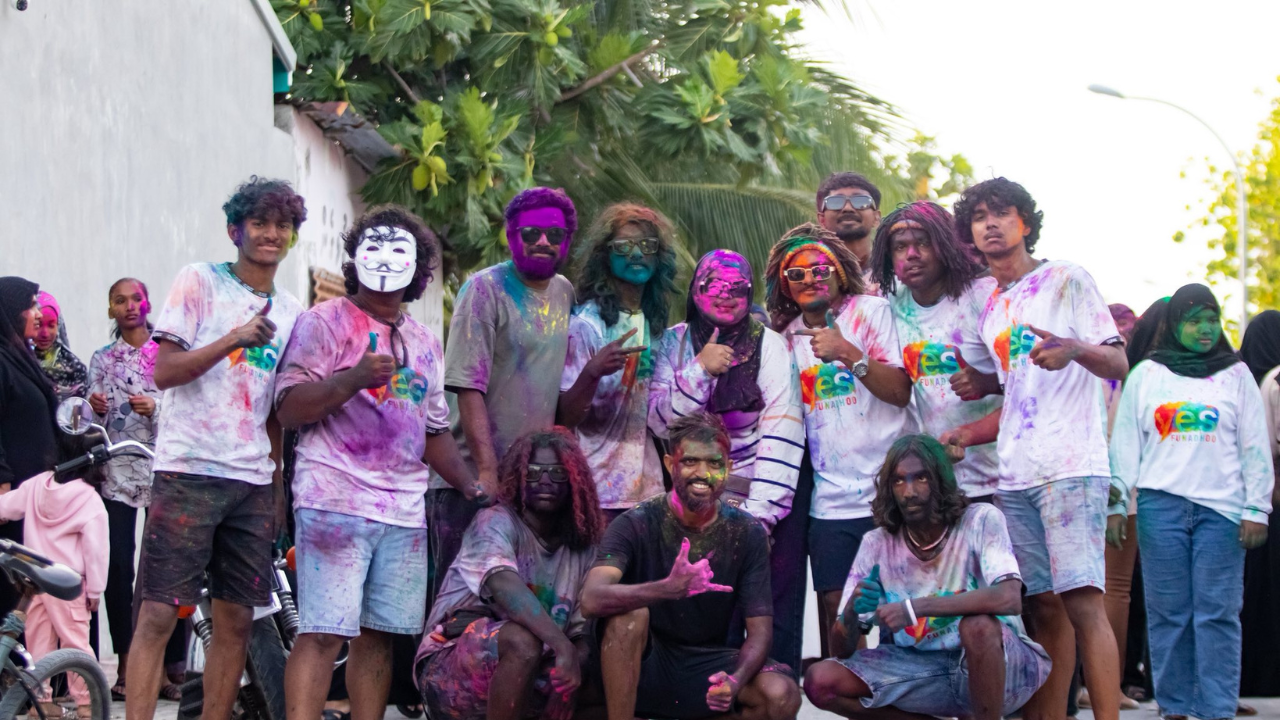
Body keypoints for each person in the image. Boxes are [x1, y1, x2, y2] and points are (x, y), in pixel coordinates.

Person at [275, 206, 487, 720]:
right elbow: (288, 408)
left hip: (404, 512)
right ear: (355, 259)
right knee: (323, 632)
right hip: (334, 500)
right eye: (374, 247)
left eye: (400, 251)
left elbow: (433, 431)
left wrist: (471, 486)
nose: (387, 261)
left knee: (379, 637)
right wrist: (351, 379)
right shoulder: (323, 322)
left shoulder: (424, 342)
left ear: (417, 269)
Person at [941, 178, 1127, 720]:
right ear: (970, 232)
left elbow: (1117, 364)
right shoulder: (991, 309)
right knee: (1043, 609)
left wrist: (1073, 349)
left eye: (1002, 213)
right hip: (1015, 475)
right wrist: (980, 391)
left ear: (1026, 222)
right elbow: (1018, 390)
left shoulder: (1066, 279)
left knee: (1084, 604)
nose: (990, 223)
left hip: (1071, 467)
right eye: (979, 216)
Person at [126, 177, 307, 720]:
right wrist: (234, 337)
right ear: (236, 230)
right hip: (187, 471)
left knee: (237, 621)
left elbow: (275, 410)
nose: (271, 234)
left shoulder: (295, 310)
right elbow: (163, 373)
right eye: (260, 223)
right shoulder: (199, 281)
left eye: (282, 225)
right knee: (159, 612)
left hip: (251, 482)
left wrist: (276, 489)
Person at [1109, 284, 1273, 720]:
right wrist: (1117, 501)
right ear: (1174, 324)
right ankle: (1176, 707)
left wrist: (1257, 509)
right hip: (1160, 508)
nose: (1204, 329)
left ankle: (1216, 708)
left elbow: (1255, 445)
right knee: (1168, 613)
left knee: (1217, 613)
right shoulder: (1146, 374)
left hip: (1222, 513)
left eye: (1211, 319)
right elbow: (1126, 443)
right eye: (1193, 319)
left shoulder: (1236, 375)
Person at [804, 435, 1050, 720]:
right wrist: (850, 612)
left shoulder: (981, 520)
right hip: (925, 669)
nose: (909, 492)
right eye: (898, 481)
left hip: (1005, 667)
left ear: (940, 480)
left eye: (920, 478)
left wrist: (914, 608)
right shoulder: (877, 543)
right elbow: (841, 654)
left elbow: (1009, 598)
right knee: (820, 680)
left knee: (979, 626)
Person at [580, 411, 802, 720]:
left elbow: (760, 631)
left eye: (714, 464)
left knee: (781, 694)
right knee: (627, 617)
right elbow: (591, 599)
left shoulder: (746, 532)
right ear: (671, 465)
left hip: (705, 666)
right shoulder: (635, 523)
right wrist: (666, 589)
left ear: (729, 468)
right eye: (690, 462)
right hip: (643, 664)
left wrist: (734, 681)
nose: (703, 473)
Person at [764, 225, 911, 658]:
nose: (810, 278)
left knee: (895, 611)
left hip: (890, 491)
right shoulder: (785, 338)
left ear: (841, 273)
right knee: (837, 607)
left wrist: (850, 353)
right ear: (785, 287)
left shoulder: (872, 312)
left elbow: (901, 392)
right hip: (831, 497)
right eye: (797, 274)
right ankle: (857, 700)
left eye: (821, 268)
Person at [432, 187, 577, 599]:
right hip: (469, 483)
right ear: (510, 235)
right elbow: (468, 385)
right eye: (531, 233)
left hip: (530, 482)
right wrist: (487, 471)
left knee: (514, 601)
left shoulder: (564, 292)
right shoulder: (484, 290)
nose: (544, 242)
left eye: (555, 234)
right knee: (456, 600)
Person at [415, 428, 605, 720]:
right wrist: (561, 646)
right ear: (517, 477)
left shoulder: (583, 546)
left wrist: (566, 682)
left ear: (574, 481)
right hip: (451, 671)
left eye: (557, 473)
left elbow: (582, 635)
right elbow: (503, 585)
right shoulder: (493, 522)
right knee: (522, 641)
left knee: (604, 679)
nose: (544, 481)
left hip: (537, 668)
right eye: (533, 472)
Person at [649, 249, 804, 518]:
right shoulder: (672, 342)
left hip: (750, 498)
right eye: (714, 284)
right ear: (695, 290)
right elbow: (659, 425)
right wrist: (700, 371)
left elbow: (781, 436)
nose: (725, 294)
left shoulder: (771, 346)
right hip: (683, 501)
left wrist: (758, 520)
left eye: (737, 286)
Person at [868, 201, 1002, 500]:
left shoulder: (985, 297)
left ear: (946, 246)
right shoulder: (889, 305)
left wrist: (987, 383)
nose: (912, 254)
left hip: (1002, 477)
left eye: (923, 243)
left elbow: (1030, 385)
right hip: (940, 485)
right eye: (900, 247)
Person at [559, 203, 679, 520]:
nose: (636, 254)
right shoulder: (588, 324)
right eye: (623, 246)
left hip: (648, 489)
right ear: (605, 256)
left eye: (647, 245)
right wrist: (592, 373)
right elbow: (565, 416)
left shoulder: (655, 324)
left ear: (659, 256)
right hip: (596, 488)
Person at [86, 278, 162, 700]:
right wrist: (92, 407)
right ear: (111, 309)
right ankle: (126, 665)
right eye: (120, 300)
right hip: (116, 471)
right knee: (118, 567)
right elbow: (85, 417)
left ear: (148, 303)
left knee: (161, 569)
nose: (130, 306)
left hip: (163, 470)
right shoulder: (102, 358)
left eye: (136, 298)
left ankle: (167, 667)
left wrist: (157, 408)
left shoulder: (167, 352)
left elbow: (186, 405)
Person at [0, 440, 110, 720]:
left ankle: (42, 703)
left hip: (34, 582)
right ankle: (87, 705)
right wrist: (96, 590)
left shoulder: (37, 485)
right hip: (69, 585)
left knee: (38, 644)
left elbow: (6, 508)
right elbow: (96, 551)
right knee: (76, 645)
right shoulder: (89, 499)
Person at [0, 277, 59, 617]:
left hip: (32, 497)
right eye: (31, 305)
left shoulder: (20, 357)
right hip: (11, 500)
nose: (38, 313)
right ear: (10, 311)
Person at [1239, 308, 1280, 696]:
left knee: (1252, 596)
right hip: (1273, 505)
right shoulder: (1276, 381)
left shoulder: (1243, 383)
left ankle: (1252, 676)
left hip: (1247, 507)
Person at [815, 172, 882, 289]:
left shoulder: (896, 272)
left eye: (861, 201)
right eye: (835, 202)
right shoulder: (808, 274)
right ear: (822, 220)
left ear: (876, 218)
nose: (848, 208)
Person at [33, 290, 89, 401]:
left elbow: (79, 414)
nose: (45, 334)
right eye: (38, 324)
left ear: (58, 325)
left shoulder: (74, 367)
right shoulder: (16, 361)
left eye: (51, 325)